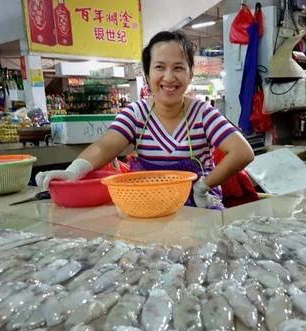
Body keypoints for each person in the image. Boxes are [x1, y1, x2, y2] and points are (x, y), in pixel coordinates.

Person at [36, 30, 254, 209]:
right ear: (148, 75)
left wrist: (203, 186)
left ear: (190, 75)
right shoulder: (135, 114)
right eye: (160, 67)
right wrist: (73, 171)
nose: (169, 77)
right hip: (147, 208)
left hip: (199, 209)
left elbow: (242, 152)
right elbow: (105, 147)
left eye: (178, 68)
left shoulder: (203, 113)